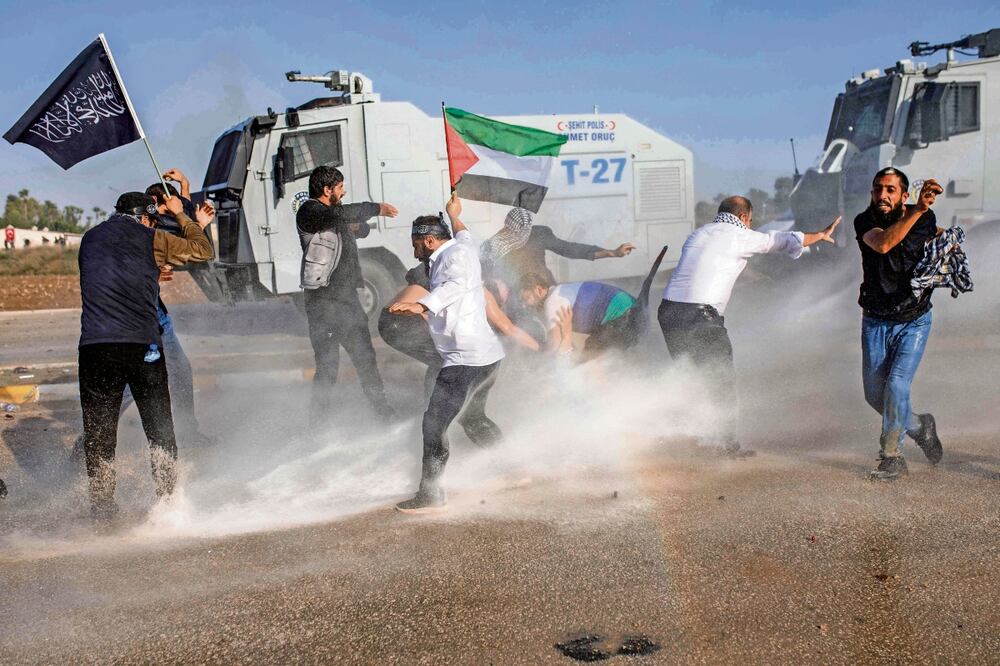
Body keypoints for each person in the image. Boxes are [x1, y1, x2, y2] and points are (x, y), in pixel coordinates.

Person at [658, 196, 839, 457]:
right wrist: (820, 234)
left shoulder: (698, 234)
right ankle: (725, 446)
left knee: (691, 375)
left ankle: (692, 434)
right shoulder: (740, 235)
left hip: (668, 312)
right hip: (701, 315)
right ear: (744, 218)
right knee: (721, 380)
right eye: (750, 221)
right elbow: (785, 240)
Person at [78, 192, 214, 519]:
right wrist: (185, 218)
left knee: (100, 433)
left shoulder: (89, 238)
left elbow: (115, 272)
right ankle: (168, 503)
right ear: (146, 217)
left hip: (94, 347)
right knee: (159, 428)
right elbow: (203, 251)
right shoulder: (152, 237)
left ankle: (102, 507)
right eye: (152, 221)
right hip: (142, 347)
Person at [389, 196, 505, 514]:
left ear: (428, 240)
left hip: (465, 359)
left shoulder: (453, 259)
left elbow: (454, 285)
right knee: (472, 416)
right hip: (486, 356)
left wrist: (421, 304)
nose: (413, 250)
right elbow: (465, 234)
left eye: (415, 243)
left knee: (433, 424)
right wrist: (455, 216)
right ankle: (510, 467)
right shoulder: (460, 247)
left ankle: (431, 495)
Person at [855, 168, 946, 481]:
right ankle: (921, 427)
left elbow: (936, 237)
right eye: (878, 188)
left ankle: (892, 456)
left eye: (891, 190)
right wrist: (919, 211)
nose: (883, 195)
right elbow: (883, 245)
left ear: (903, 196)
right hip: (875, 320)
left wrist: (947, 242)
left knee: (896, 385)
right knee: (874, 396)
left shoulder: (923, 219)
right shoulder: (864, 221)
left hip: (914, 320)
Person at [296, 165, 399, 424]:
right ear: (326, 189)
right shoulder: (310, 211)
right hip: (323, 302)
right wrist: (377, 208)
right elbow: (345, 214)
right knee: (328, 366)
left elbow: (359, 228)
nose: (344, 191)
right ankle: (317, 422)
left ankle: (382, 411)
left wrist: (359, 224)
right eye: (340, 187)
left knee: (366, 358)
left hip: (348, 301)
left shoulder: (333, 215)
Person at [379, 261, 540, 400]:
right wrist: (541, 348)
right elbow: (508, 328)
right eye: (500, 302)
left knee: (444, 362)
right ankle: (461, 413)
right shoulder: (479, 290)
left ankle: (432, 406)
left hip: (387, 323)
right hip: (406, 321)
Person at [518, 244, 668, 363]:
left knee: (590, 364)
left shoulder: (552, 301)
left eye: (527, 298)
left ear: (538, 289)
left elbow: (556, 346)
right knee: (604, 356)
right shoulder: (562, 292)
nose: (526, 305)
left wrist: (538, 362)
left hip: (623, 319)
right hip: (637, 314)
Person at [480, 207, 635, 286]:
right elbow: (486, 278)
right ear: (507, 227)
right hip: (517, 300)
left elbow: (570, 249)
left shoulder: (539, 234)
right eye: (516, 233)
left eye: (525, 231)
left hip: (545, 288)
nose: (521, 236)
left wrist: (612, 253)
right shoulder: (491, 246)